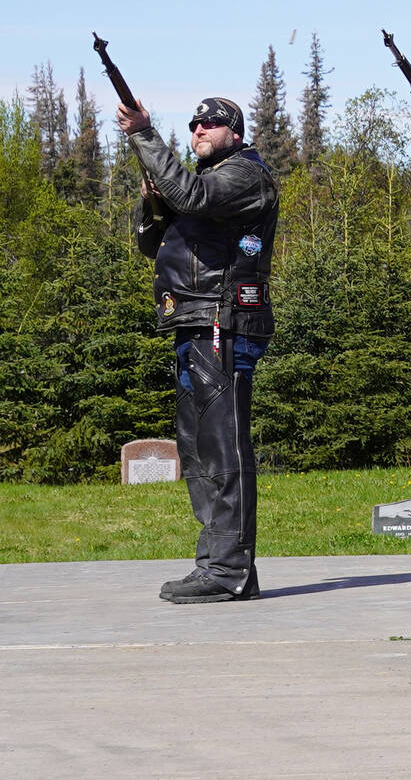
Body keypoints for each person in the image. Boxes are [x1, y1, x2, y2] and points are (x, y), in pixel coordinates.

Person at [116, 96, 280, 603]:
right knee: (196, 447)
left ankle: (230, 568)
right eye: (194, 125)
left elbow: (193, 196)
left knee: (223, 443)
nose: (200, 129)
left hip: (224, 322)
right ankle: (215, 562)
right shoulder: (202, 187)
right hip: (191, 320)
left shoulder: (244, 176)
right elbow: (153, 243)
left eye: (212, 124)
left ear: (235, 133)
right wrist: (153, 202)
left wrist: (144, 133)